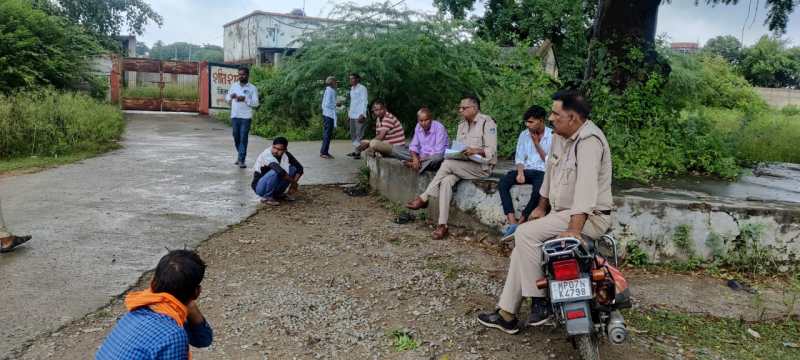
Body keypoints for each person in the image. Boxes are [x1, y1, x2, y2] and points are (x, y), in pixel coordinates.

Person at [477, 90, 613, 334]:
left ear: (573, 118)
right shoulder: (561, 136)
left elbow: (586, 189)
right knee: (521, 248)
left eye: (555, 114)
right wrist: (541, 207)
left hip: (589, 217)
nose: (550, 118)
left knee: (525, 234)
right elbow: (550, 173)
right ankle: (507, 314)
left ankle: (540, 302)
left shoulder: (589, 142)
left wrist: (574, 229)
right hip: (561, 214)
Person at [405, 96, 497, 239]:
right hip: (463, 164)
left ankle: (424, 197)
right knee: (446, 181)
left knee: (447, 164)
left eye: (464, 108)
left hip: (481, 167)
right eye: (460, 108)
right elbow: (459, 148)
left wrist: (475, 150)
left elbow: (492, 151)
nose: (460, 110)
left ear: (474, 108)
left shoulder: (487, 122)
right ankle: (442, 225)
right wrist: (457, 153)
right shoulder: (462, 125)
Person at [96, 250, 213, 359]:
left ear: (152, 283)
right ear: (197, 293)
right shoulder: (172, 333)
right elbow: (204, 340)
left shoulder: (137, 310)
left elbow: (203, 340)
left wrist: (190, 308)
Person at [498, 105, 553, 238]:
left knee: (538, 192)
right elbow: (519, 157)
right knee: (503, 182)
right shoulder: (524, 134)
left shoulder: (552, 135)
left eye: (531, 122)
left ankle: (521, 222)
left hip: (543, 171)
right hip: (526, 169)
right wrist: (520, 172)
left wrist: (536, 143)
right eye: (526, 122)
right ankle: (512, 222)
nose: (527, 125)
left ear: (541, 120)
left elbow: (549, 161)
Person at [252, 137, 304, 206]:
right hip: (260, 187)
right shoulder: (266, 154)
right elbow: (280, 171)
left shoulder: (286, 155)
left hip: (274, 185)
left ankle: (278, 194)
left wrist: (292, 186)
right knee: (276, 171)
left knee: (293, 169)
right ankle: (267, 197)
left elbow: (300, 168)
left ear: (285, 150)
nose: (276, 151)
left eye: (279, 149)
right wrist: (294, 183)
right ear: (272, 146)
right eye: (274, 148)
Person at [226, 67, 259, 168]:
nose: (241, 76)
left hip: (246, 117)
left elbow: (256, 103)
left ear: (247, 75)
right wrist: (231, 97)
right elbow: (227, 98)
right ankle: (240, 154)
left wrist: (245, 99)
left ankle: (241, 160)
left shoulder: (252, 88)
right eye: (239, 74)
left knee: (243, 138)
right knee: (236, 137)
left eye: (243, 74)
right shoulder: (234, 86)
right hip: (235, 116)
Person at [398, 107, 448, 173]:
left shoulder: (439, 128)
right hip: (421, 155)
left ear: (431, 119)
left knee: (437, 158)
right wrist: (415, 158)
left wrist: (419, 159)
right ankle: (416, 163)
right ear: (418, 120)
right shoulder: (418, 126)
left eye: (426, 120)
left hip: (434, 156)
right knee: (400, 149)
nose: (424, 123)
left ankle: (415, 164)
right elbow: (414, 145)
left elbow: (439, 151)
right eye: (421, 121)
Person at [346, 73, 369, 158]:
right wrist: (349, 115)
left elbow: (364, 101)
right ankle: (356, 150)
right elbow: (352, 103)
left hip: (359, 115)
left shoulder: (362, 88)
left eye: (352, 78)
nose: (350, 80)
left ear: (357, 79)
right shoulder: (352, 89)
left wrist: (363, 114)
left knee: (359, 134)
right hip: (352, 114)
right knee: (353, 134)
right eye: (350, 79)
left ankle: (358, 153)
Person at [320, 76, 337, 159]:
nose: (336, 83)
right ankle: (324, 152)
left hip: (326, 114)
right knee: (327, 134)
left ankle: (324, 151)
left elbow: (324, 104)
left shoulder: (328, 90)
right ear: (332, 82)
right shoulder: (330, 91)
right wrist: (336, 104)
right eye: (335, 82)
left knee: (326, 133)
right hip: (329, 115)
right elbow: (327, 104)